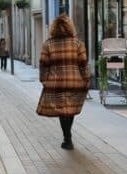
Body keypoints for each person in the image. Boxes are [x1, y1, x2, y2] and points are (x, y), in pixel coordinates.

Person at [37, 14, 90, 150]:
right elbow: (83, 64)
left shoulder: (48, 44)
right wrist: (86, 79)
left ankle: (67, 138)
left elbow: (43, 64)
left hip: (57, 83)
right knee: (69, 110)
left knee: (62, 111)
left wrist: (44, 80)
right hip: (75, 82)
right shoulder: (78, 43)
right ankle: (68, 137)